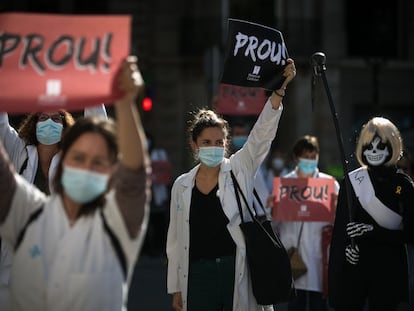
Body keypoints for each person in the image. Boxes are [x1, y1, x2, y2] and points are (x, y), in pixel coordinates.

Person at [0, 56, 151, 311]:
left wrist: (123, 103)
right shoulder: (31, 209)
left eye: (96, 163)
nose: (85, 168)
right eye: (78, 159)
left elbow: (133, 175)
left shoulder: (115, 221)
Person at [166, 58, 296, 311]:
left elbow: (262, 135)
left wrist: (278, 92)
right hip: (197, 277)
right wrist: (176, 288)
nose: (213, 148)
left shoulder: (239, 168)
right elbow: (174, 241)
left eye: (218, 142)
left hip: (235, 270)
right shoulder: (181, 186)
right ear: (194, 145)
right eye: (206, 142)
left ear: (226, 144)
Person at [328, 117, 414, 311]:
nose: (373, 152)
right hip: (356, 268)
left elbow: (410, 233)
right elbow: (342, 232)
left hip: (389, 269)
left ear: (393, 146)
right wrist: (347, 252)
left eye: (380, 146)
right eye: (369, 146)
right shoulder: (351, 182)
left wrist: (374, 232)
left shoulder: (403, 185)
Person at [275, 135, 339, 311]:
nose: (309, 161)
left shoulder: (329, 184)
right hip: (294, 258)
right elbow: (275, 222)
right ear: (295, 158)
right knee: (295, 304)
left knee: (319, 305)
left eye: (313, 157)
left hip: (319, 257)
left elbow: (338, 219)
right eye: (305, 157)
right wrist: (274, 207)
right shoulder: (286, 183)